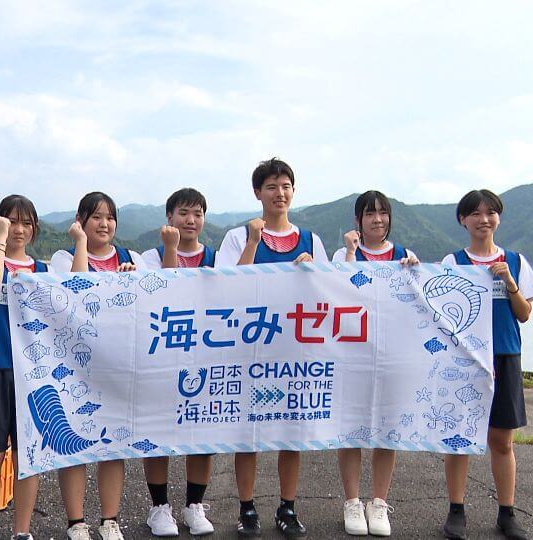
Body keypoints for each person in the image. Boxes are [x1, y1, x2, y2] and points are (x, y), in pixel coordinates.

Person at [216, 158, 329, 538]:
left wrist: (312, 271)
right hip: (250, 350)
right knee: (247, 432)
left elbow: (328, 293)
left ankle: (287, 506)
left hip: (294, 350)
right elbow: (227, 287)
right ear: (257, 193)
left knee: (291, 431)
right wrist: (253, 241)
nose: (280, 193)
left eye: (285, 186)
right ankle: (247, 508)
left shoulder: (311, 241)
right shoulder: (238, 237)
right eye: (271, 187)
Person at [440, 189, 533, 540]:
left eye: (490, 213)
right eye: (475, 213)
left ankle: (507, 512)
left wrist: (510, 284)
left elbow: (524, 314)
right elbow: (438, 311)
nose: (484, 220)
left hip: (505, 354)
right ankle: (456, 510)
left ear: (498, 218)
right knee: (459, 437)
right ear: (463, 220)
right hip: (466, 359)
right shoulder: (453, 262)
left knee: (502, 440)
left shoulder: (514, 260)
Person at [50, 191, 146, 540]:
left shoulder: (132, 258)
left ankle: (110, 519)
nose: (104, 224)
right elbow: (72, 291)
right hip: (74, 366)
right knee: (74, 441)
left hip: (118, 364)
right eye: (96, 217)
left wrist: (132, 280)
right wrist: (80, 244)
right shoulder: (63, 257)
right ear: (81, 220)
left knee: (113, 443)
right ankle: (76, 523)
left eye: (110, 217)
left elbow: (148, 301)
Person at [331, 190, 418, 537]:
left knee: (388, 428)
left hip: (393, 354)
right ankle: (352, 501)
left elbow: (417, 304)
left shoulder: (404, 255)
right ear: (358, 220)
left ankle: (379, 502)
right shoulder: (344, 254)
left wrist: (416, 273)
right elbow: (339, 293)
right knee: (351, 427)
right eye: (369, 214)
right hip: (353, 354)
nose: (377, 220)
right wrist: (351, 254)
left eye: (383, 213)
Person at [139, 188, 216, 536]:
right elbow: (164, 294)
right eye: (183, 213)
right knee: (158, 430)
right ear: (169, 217)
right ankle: (159, 508)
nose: (190, 220)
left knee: (202, 431)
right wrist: (171, 249)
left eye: (197, 213)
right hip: (160, 358)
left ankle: (194, 505)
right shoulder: (150, 257)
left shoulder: (215, 257)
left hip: (204, 356)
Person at [0, 194, 46, 540]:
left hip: (31, 374)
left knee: (27, 459)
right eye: (12, 221)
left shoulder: (43, 271)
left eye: (26, 223)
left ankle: (21, 532)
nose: (19, 229)